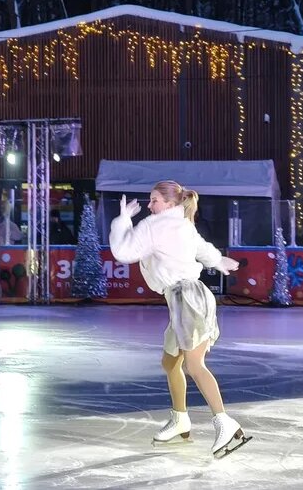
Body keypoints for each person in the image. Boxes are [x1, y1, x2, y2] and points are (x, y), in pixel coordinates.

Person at [108, 180, 249, 459]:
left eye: (154, 200)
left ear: (170, 204)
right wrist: (219, 261)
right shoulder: (183, 224)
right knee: (171, 362)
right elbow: (202, 248)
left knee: (194, 365)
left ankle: (225, 423)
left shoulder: (154, 225)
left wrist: (123, 220)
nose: (149, 206)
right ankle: (180, 420)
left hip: (187, 299)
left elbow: (123, 252)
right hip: (186, 297)